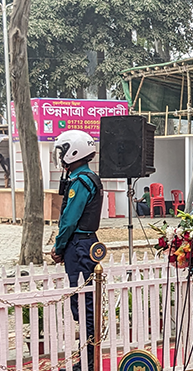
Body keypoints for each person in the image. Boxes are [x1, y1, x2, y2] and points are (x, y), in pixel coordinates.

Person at [50, 130, 103, 371]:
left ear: (73, 151)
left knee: (84, 305)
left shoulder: (81, 181)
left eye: (62, 152)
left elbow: (70, 219)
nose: (60, 157)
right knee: (83, 304)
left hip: (79, 245)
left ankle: (88, 364)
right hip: (84, 244)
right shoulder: (86, 177)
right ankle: (87, 361)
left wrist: (59, 246)